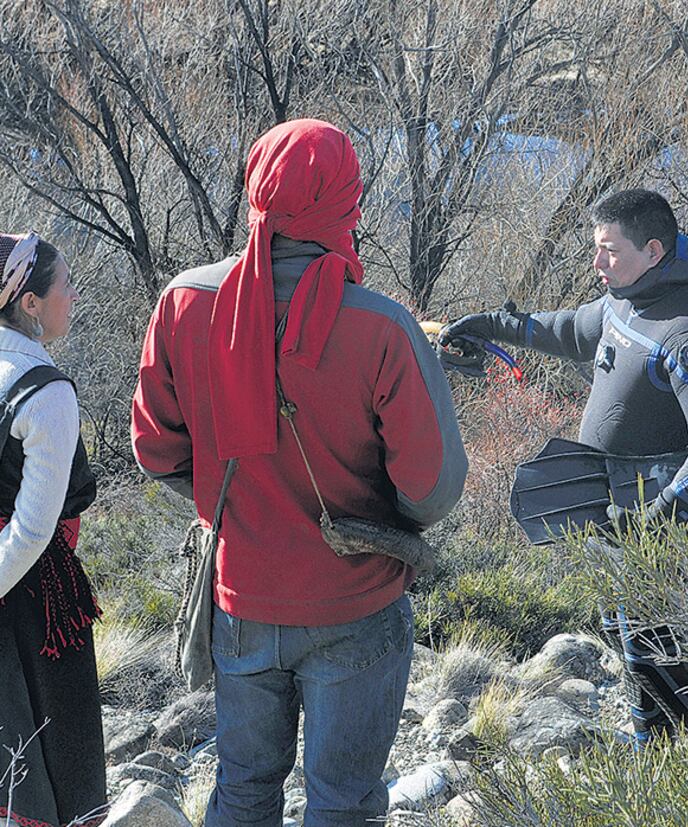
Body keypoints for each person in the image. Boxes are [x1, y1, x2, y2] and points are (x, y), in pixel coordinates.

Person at [131, 119, 467, 826]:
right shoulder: (381, 326)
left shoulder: (186, 303)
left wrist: (230, 507)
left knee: (244, 789)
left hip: (241, 599)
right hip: (357, 603)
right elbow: (430, 488)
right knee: (342, 803)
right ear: (347, 201)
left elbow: (157, 449)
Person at [442, 188, 688, 743]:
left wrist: (659, 519)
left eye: (609, 250)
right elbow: (569, 330)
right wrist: (488, 325)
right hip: (618, 518)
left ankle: (679, 766)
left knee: (662, 657)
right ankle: (678, 756)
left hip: (668, 531)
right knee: (635, 647)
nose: (596, 262)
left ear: (653, 251)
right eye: (596, 248)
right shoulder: (625, 297)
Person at [0, 232, 106, 827]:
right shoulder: (46, 393)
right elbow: (34, 530)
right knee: (57, 772)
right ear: (31, 303)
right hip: (36, 604)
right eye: (64, 284)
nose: (73, 295)